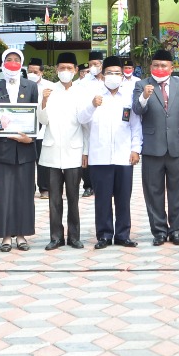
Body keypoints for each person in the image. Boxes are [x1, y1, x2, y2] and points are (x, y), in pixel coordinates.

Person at [78, 56, 141, 249]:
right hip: (100, 156)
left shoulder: (129, 95)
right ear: (103, 75)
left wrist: (135, 149)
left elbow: (135, 125)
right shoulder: (92, 93)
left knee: (123, 198)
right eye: (109, 73)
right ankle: (104, 235)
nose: (113, 76)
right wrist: (92, 105)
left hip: (123, 155)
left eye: (117, 73)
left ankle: (123, 235)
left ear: (122, 76)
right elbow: (82, 119)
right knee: (102, 199)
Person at [133, 48, 179, 245]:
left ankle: (176, 231)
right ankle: (159, 231)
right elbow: (137, 110)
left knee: (178, 192)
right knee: (153, 192)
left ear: (171, 68)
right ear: (150, 67)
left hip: (177, 147)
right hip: (152, 147)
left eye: (163, 65)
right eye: (156, 65)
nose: (160, 68)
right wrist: (144, 96)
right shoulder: (141, 85)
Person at [0, 48, 38, 252]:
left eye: (17, 59)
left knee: (24, 193)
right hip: (2, 149)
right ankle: (6, 235)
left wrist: (30, 137)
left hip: (25, 148)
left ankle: (22, 235)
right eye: (9, 59)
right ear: (2, 63)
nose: (13, 62)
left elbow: (36, 116)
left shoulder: (31, 86)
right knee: (2, 193)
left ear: (22, 63)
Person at [38, 52, 87, 250]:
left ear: (75, 70)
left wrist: (85, 151)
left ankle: (74, 237)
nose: (65, 71)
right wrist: (43, 102)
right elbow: (43, 120)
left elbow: (86, 124)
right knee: (54, 199)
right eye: (62, 68)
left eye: (69, 68)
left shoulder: (81, 93)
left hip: (74, 151)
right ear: (56, 70)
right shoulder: (49, 91)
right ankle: (56, 237)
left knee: (73, 197)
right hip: (52, 151)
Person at [78, 50, 105, 199]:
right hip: (88, 122)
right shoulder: (83, 83)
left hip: (104, 123)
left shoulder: (108, 79)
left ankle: (101, 185)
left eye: (96, 64)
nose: (93, 67)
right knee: (86, 155)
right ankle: (88, 186)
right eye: (91, 64)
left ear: (101, 64)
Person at [27, 57, 50, 200]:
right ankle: (29, 188)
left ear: (41, 72)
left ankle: (45, 188)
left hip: (43, 129)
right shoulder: (22, 85)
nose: (32, 74)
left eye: (35, 72)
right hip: (26, 129)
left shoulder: (49, 86)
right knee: (28, 161)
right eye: (30, 71)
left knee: (42, 161)